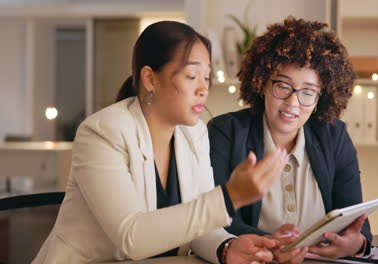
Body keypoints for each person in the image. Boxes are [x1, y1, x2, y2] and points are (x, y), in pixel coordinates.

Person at [33, 21, 289, 264]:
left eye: (207, 77)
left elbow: (198, 227)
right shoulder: (102, 132)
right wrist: (229, 196)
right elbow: (131, 237)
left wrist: (227, 248)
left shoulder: (195, 133)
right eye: (191, 76)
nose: (203, 89)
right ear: (150, 79)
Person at [208, 17, 372, 263]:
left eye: (308, 92)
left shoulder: (334, 136)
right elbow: (214, 221)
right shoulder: (226, 132)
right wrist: (272, 242)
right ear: (262, 82)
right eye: (283, 86)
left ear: (320, 98)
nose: (293, 103)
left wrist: (356, 244)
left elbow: (357, 223)